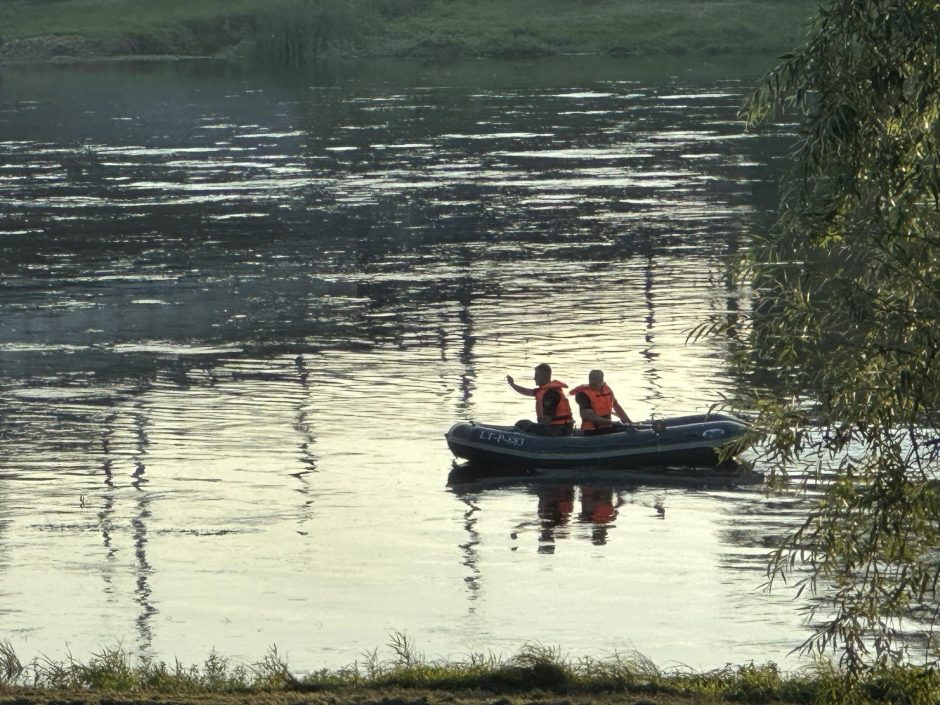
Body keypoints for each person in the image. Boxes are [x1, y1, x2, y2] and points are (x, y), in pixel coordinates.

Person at [505, 363, 574, 436]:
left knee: (524, 425)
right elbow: (526, 391)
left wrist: (534, 428)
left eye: (536, 375)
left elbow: (547, 420)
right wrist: (512, 385)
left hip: (560, 429)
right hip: (556, 427)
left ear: (544, 376)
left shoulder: (551, 394)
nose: (534, 378)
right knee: (521, 423)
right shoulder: (543, 391)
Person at [569, 369, 632, 435]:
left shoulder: (607, 389)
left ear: (601, 379)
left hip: (607, 426)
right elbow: (589, 416)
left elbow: (616, 407)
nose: (592, 381)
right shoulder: (583, 394)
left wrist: (628, 421)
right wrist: (611, 422)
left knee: (625, 428)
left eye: (594, 379)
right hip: (592, 430)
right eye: (591, 378)